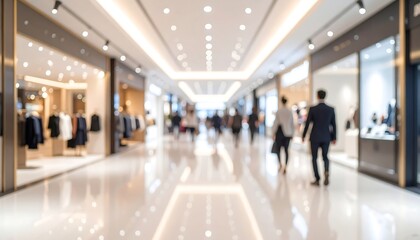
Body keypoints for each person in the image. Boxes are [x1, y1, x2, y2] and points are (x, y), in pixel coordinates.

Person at [302, 89, 337, 186]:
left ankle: (317, 179)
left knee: (314, 158)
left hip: (315, 137)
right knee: (325, 157)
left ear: (317, 96)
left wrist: (303, 135)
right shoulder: (331, 109)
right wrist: (334, 137)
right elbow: (334, 125)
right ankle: (326, 171)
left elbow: (308, 123)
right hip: (326, 137)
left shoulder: (313, 109)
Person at [272, 96, 294, 174]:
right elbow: (292, 124)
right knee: (286, 150)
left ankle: (281, 164)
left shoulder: (279, 111)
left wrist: (273, 133)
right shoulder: (289, 111)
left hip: (280, 132)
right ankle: (285, 166)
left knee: (278, 150)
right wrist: (292, 134)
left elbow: (275, 123)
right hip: (288, 133)